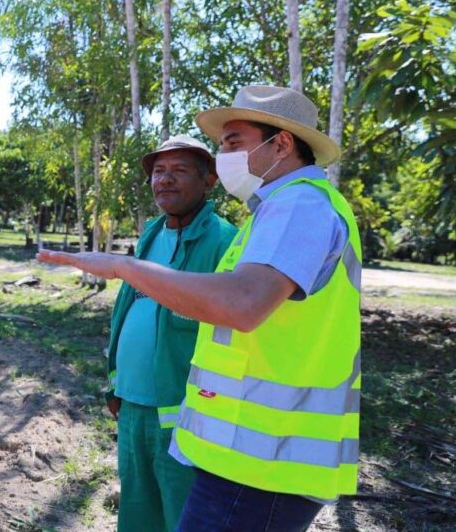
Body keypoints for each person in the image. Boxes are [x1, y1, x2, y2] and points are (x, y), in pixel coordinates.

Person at [38, 85, 361, 531]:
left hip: (262, 463)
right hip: (245, 455)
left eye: (233, 143)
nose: (223, 156)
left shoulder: (299, 204)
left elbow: (242, 304)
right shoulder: (273, 211)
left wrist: (122, 267)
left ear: (282, 143)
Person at [107, 135, 236, 532]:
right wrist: (115, 385)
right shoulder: (151, 235)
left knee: (183, 515)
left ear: (208, 180)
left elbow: (232, 327)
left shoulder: (224, 241)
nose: (165, 179)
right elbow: (129, 310)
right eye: (159, 171)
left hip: (184, 413)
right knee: (137, 511)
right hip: (132, 404)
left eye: (179, 170)